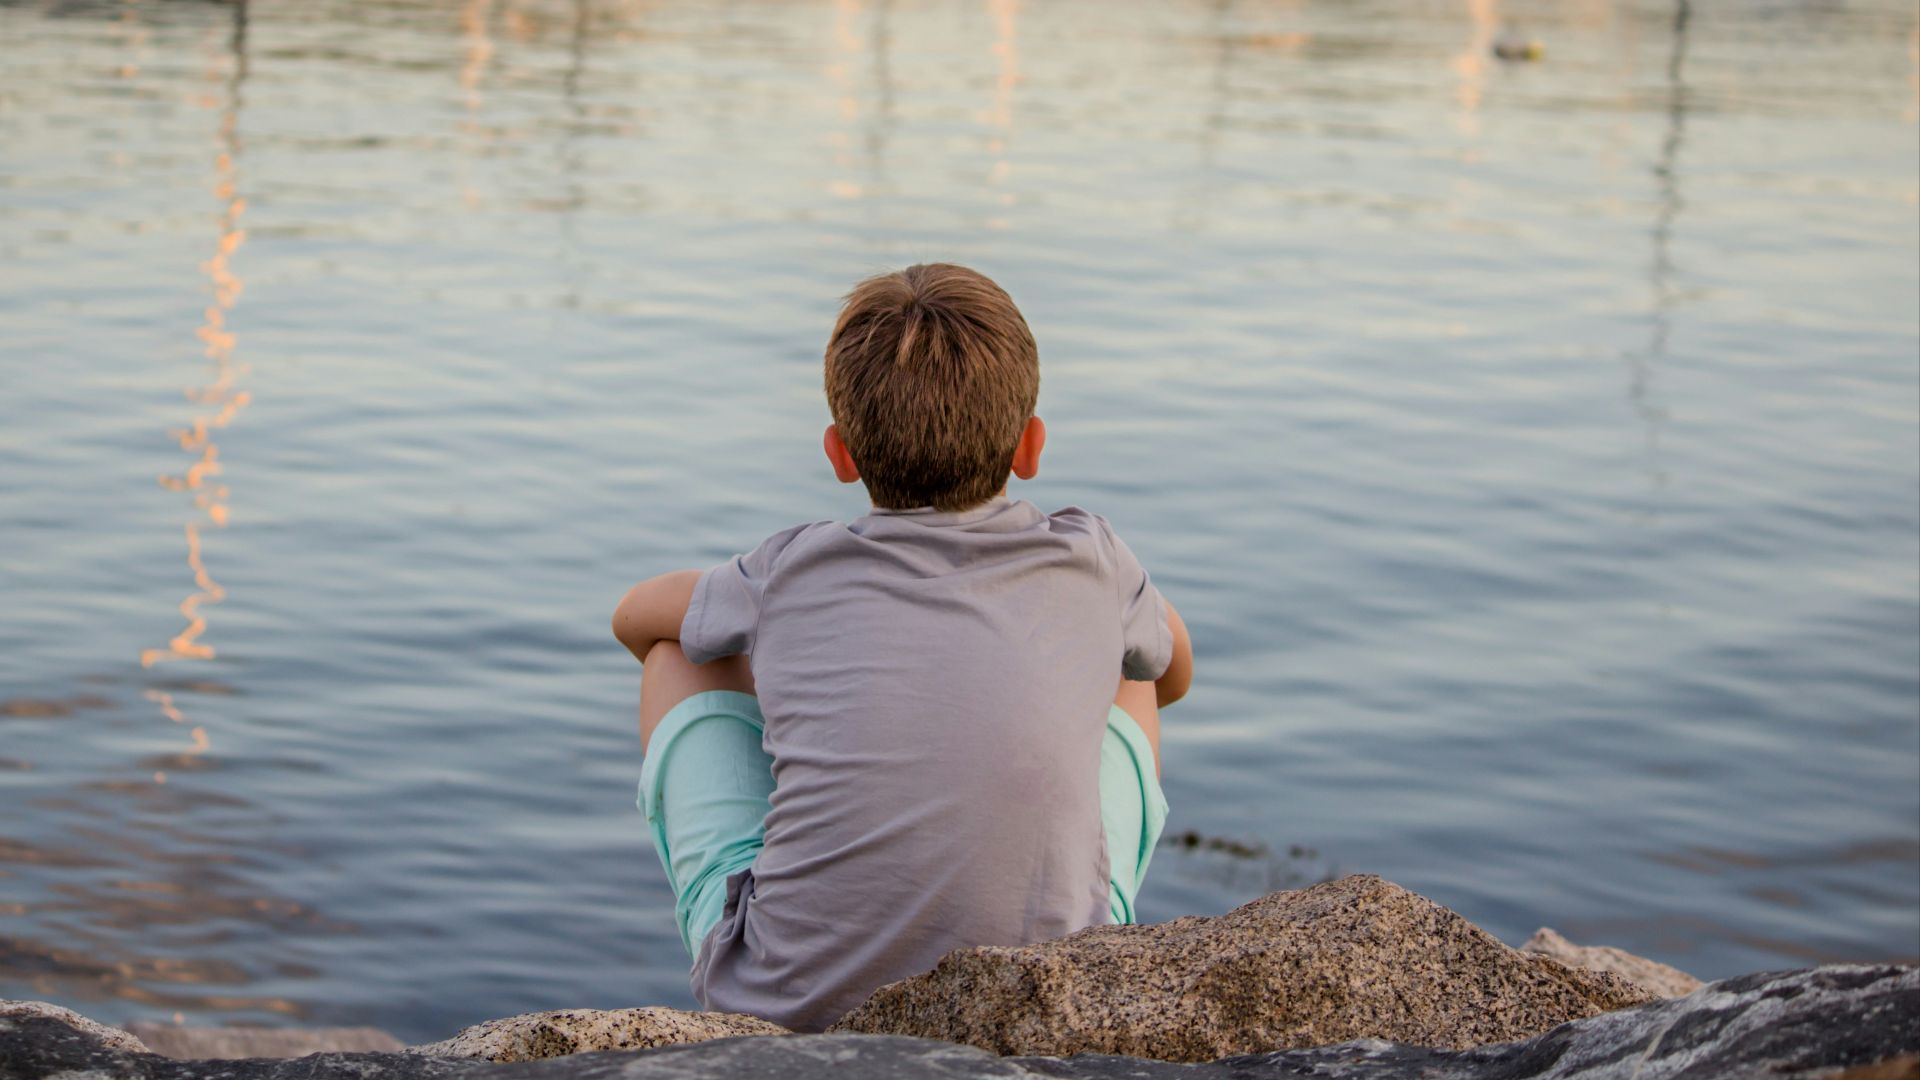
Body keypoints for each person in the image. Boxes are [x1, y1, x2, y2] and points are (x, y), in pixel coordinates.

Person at [611, 263, 1193, 1032]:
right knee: (1132, 669)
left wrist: (792, 675)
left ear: (840, 454)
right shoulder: (1095, 558)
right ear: (1031, 446)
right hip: (1055, 993)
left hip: (787, 1003)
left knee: (677, 653)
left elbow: (633, 618)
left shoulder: (789, 570)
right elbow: (1174, 669)